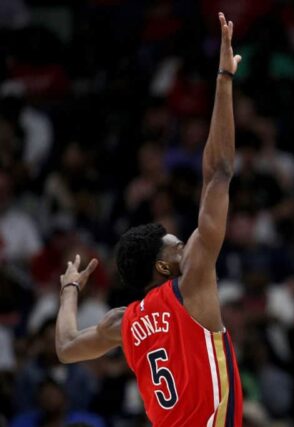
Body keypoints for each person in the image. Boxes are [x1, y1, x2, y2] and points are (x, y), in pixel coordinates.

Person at [54, 13, 243, 426]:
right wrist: (224, 79)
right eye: (178, 246)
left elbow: (66, 347)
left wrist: (70, 290)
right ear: (164, 266)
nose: (186, 246)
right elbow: (219, 172)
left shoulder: (121, 322)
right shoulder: (190, 284)